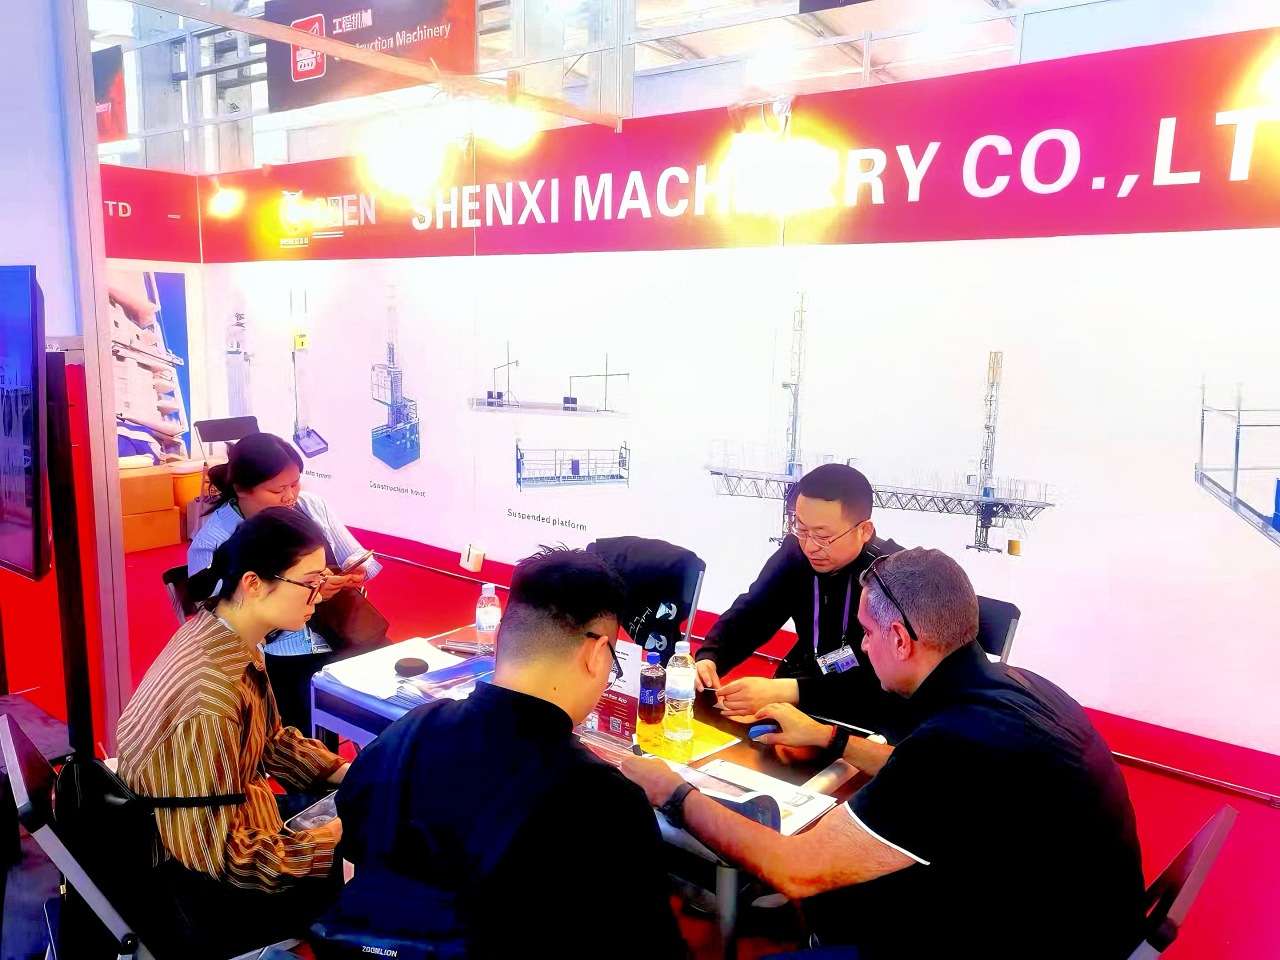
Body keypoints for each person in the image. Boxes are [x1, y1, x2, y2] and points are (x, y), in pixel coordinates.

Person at [622, 548, 1146, 960]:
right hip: (1073, 920)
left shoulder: (958, 743)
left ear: (899, 638)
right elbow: (922, 767)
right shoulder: (1020, 687)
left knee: (817, 882)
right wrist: (827, 738)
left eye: (868, 634)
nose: (864, 647)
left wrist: (672, 791)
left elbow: (796, 869)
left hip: (1021, 941)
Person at [330, 547, 687, 959]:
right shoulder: (606, 799)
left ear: (501, 635)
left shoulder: (407, 733)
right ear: (595, 654)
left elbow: (354, 841)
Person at [117, 508, 350, 958]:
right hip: (202, 895)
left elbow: (271, 740)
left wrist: (351, 775)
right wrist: (338, 836)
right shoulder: (211, 698)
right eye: (310, 582)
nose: (320, 596)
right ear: (253, 583)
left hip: (227, 827)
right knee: (378, 867)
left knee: (363, 821)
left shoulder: (221, 631)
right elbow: (226, 857)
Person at [189, 431, 382, 731]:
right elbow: (220, 623)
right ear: (241, 489)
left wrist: (352, 568)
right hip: (278, 660)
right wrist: (312, 591)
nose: (290, 496)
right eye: (278, 489)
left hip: (345, 634)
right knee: (306, 729)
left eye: (295, 484)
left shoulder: (311, 506)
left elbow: (360, 557)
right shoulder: (213, 542)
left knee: (395, 699)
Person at [696, 463, 905, 733]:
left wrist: (786, 691)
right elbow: (751, 615)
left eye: (823, 536)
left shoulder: (894, 576)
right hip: (808, 682)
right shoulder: (795, 556)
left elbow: (883, 683)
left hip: (870, 711)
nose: (810, 546)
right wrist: (709, 658)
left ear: (864, 530)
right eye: (802, 529)